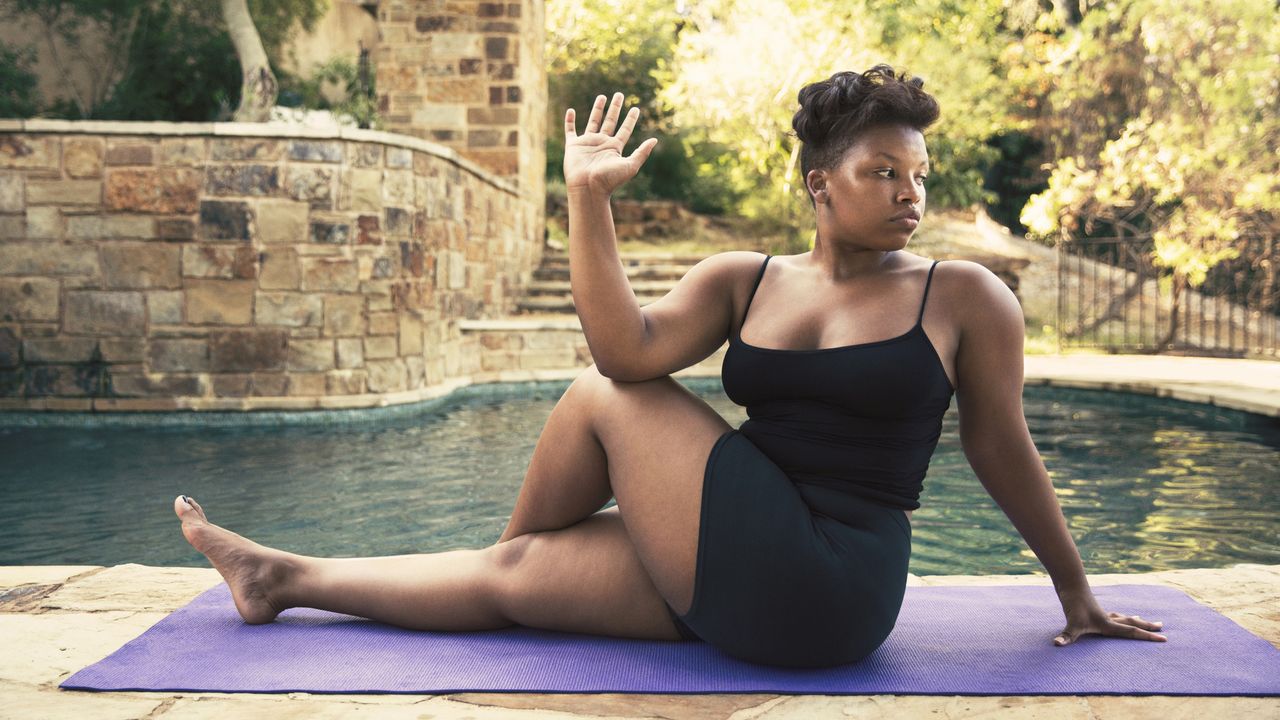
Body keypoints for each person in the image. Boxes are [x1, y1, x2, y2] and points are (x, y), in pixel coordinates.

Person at [174, 65, 1166, 669]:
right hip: (740, 554)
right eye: (882, 173)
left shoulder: (962, 298)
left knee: (600, 397)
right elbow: (628, 338)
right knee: (531, 552)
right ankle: (283, 578)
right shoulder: (744, 278)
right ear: (819, 186)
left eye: (916, 176)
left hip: (838, 577)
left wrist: (1072, 591)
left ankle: (513, 559)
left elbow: (1000, 447)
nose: (909, 193)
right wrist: (587, 201)